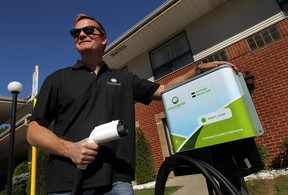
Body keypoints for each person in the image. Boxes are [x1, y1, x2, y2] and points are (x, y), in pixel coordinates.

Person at [27, 13, 238, 195]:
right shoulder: (57, 79)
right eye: (76, 33)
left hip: (117, 182)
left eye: (88, 30)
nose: (81, 35)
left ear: (103, 39)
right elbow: (34, 132)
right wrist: (70, 149)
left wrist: (197, 71)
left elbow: (164, 90)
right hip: (66, 182)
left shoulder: (124, 79)